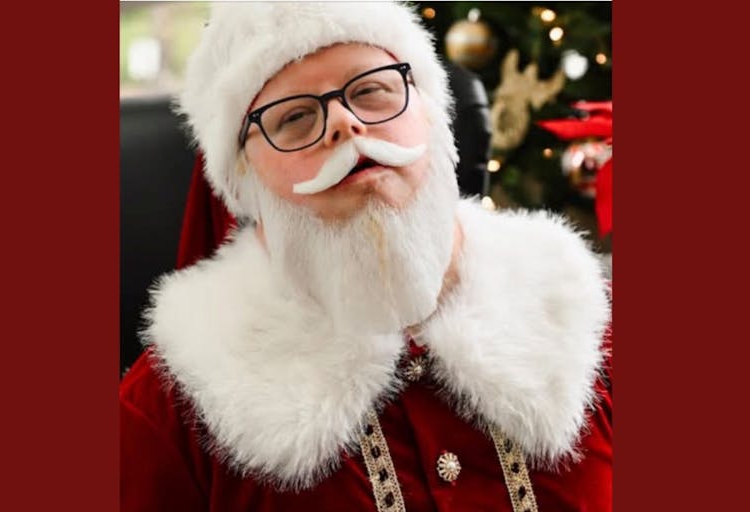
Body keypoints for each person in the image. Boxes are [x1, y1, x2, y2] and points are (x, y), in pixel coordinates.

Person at [120, 3, 612, 511]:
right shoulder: (170, 410)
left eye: (372, 91)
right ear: (244, 181)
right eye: (294, 117)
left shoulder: (587, 322)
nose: (345, 124)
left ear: (431, 114)